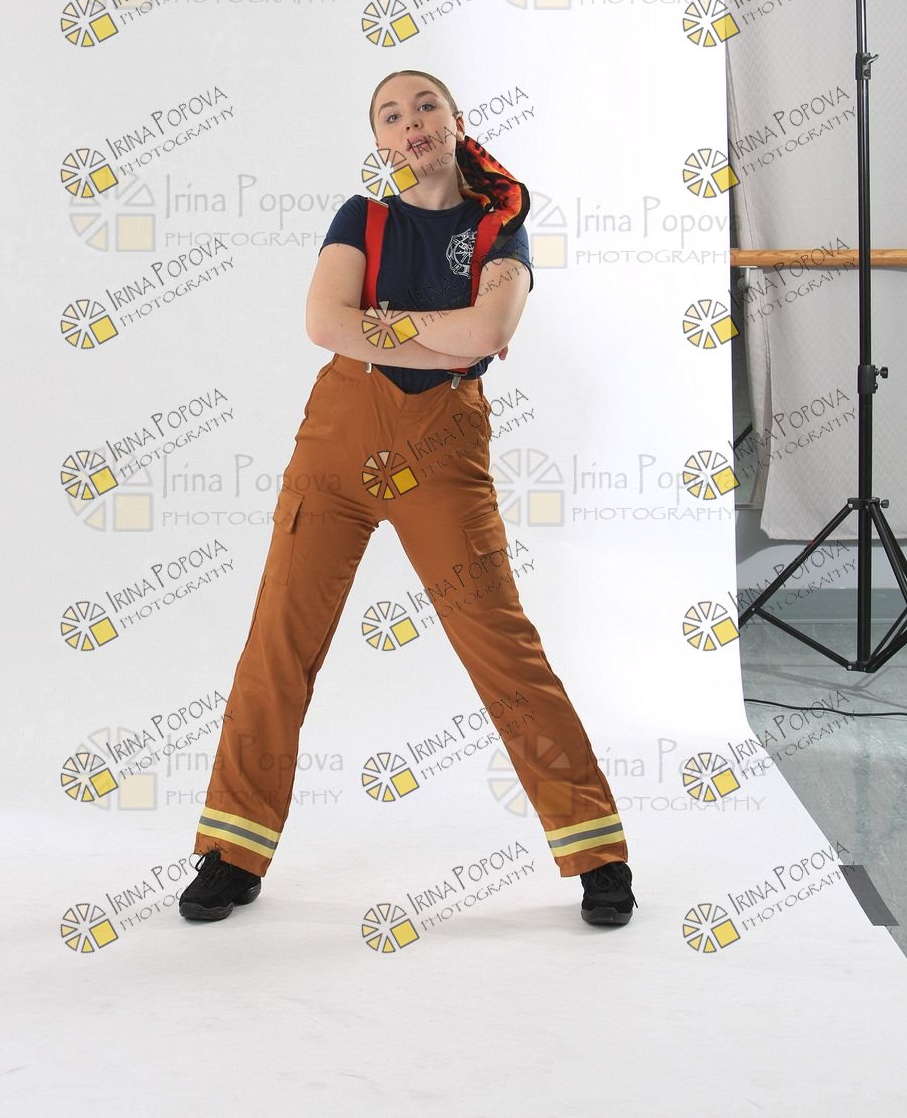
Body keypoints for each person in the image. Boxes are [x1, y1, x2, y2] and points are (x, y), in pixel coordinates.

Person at [179, 69, 637, 927]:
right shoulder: (362, 217)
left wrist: (388, 327)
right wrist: (440, 337)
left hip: (444, 447)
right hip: (338, 438)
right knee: (279, 638)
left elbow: (489, 332)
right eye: (390, 115)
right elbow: (325, 324)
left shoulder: (500, 226)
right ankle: (231, 852)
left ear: (456, 121)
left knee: (501, 644)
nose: (410, 121)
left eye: (425, 104)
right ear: (380, 142)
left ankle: (597, 852)